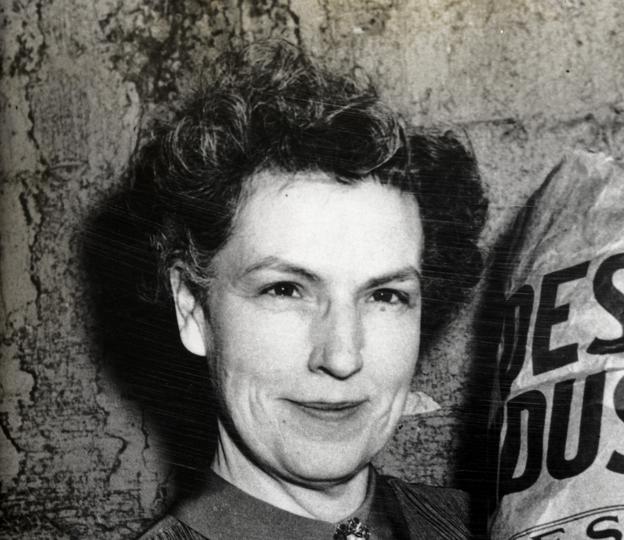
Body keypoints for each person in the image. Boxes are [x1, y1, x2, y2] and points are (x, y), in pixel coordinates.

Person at [130, 40, 487, 539]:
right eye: (285, 290)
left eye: (385, 296)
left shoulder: (507, 526)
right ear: (191, 307)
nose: (341, 357)